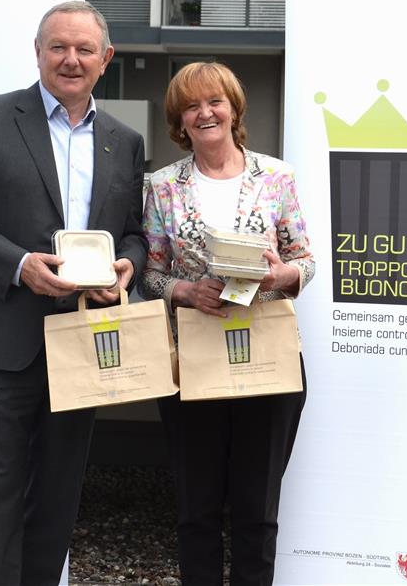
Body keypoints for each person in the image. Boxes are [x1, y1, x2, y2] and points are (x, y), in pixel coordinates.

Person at [0, 1, 147, 586]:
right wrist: (20, 264)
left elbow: (133, 231)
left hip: (82, 341)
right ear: (38, 52)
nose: (71, 59)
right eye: (58, 47)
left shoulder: (124, 141)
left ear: (106, 58)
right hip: (1, 340)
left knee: (56, 503)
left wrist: (128, 265)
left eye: (84, 49)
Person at [141, 62, 314, 586]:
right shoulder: (162, 186)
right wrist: (185, 291)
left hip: (268, 358)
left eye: (214, 101)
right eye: (191, 106)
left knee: (256, 512)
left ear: (234, 109)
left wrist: (280, 275)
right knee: (196, 511)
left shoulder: (277, 177)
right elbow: (150, 271)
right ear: (179, 120)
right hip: (193, 362)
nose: (204, 113)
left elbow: (305, 260)